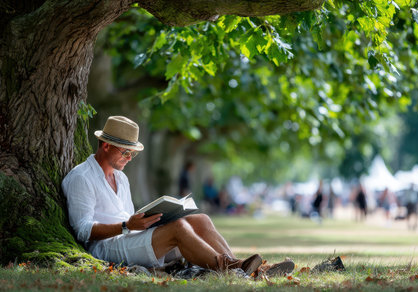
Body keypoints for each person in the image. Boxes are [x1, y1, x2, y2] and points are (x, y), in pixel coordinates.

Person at [62, 116, 293, 276]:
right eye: (125, 152)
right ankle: (232, 268)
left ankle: (239, 265)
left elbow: (128, 219)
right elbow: (82, 230)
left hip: (128, 236)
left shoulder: (121, 178)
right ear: (105, 146)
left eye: (132, 153)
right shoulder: (81, 177)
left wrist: (145, 221)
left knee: (200, 220)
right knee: (179, 228)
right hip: (104, 247)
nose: (129, 158)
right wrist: (126, 225)